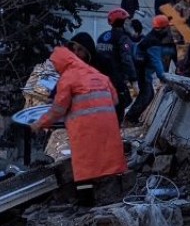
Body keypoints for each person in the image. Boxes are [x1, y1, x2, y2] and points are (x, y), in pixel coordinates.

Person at [30, 46, 127, 185]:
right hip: (109, 128)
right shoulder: (98, 75)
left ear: (61, 63)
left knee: (84, 168)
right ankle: (116, 192)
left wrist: (39, 124)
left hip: (85, 130)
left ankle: (85, 201)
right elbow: (115, 100)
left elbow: (58, 109)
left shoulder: (68, 78)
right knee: (110, 160)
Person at [126, 15, 176, 123]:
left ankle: (131, 117)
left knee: (146, 94)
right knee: (147, 94)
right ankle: (130, 118)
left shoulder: (152, 36)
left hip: (141, 68)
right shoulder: (153, 41)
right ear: (163, 28)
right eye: (167, 27)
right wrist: (163, 76)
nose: (169, 29)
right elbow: (156, 60)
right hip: (142, 70)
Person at [95, 8, 137, 121]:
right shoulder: (123, 38)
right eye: (127, 21)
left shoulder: (102, 36)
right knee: (122, 103)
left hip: (100, 79)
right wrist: (133, 79)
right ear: (121, 22)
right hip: (116, 79)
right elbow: (126, 59)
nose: (129, 23)